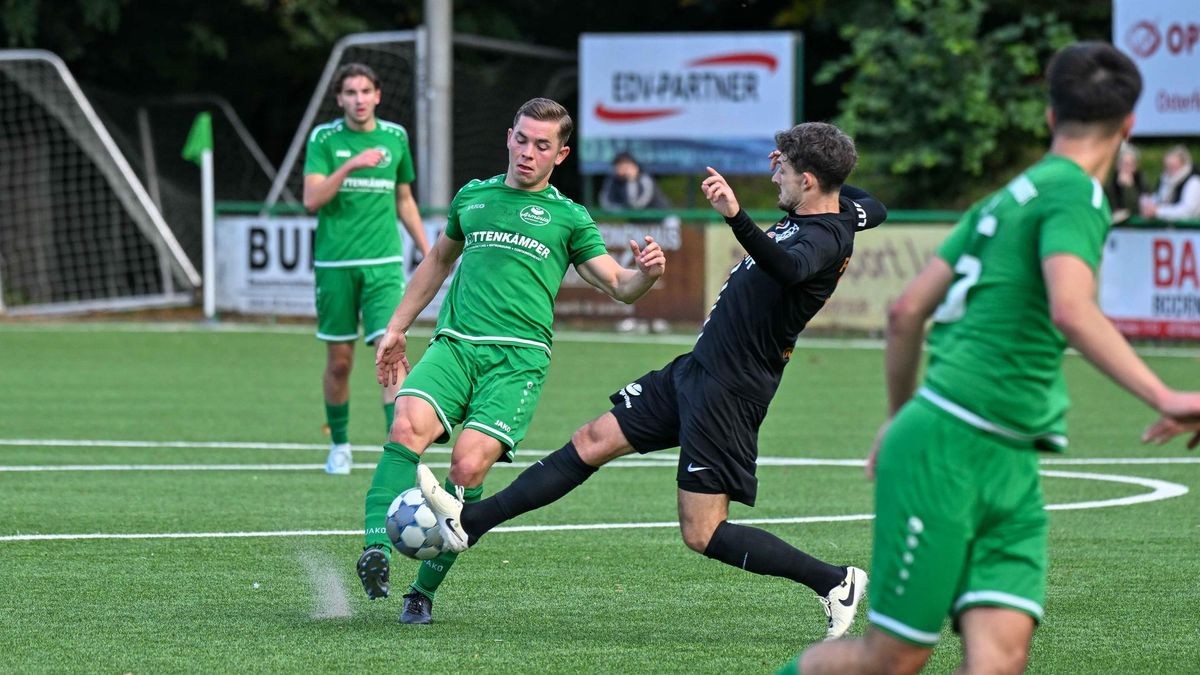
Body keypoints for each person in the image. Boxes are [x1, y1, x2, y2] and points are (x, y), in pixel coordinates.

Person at [793, 42, 1200, 675]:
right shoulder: (1077, 196)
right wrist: (1167, 395)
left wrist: (901, 415)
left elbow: (906, 314)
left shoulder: (1004, 199)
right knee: (892, 658)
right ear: (1128, 126)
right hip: (953, 448)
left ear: (1049, 116)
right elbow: (1072, 307)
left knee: (1001, 658)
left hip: (1008, 460)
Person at [419, 121, 887, 639]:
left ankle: (835, 581)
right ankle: (470, 523)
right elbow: (869, 204)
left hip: (729, 390)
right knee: (592, 439)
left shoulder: (822, 236)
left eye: (786, 170)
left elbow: (790, 269)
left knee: (703, 532)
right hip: (698, 368)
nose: (775, 175)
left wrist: (736, 216)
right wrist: (800, 159)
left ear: (812, 181)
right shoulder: (839, 208)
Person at [357, 97, 667, 624]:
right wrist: (397, 327)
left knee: (467, 465)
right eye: (521, 139)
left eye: (541, 145)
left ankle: (422, 591)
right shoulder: (473, 197)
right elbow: (437, 261)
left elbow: (618, 285)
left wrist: (647, 275)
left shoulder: (569, 218)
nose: (527, 152)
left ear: (560, 154)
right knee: (406, 426)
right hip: (454, 344)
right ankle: (374, 550)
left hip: (517, 362)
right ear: (508, 136)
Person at [302, 63, 431, 475]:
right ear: (339, 98)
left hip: (383, 266)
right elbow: (312, 199)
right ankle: (339, 445)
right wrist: (350, 165)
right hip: (335, 266)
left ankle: (398, 453)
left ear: (377, 95)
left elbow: (404, 198)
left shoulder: (395, 138)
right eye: (350, 92)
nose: (358, 99)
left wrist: (429, 250)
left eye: (365, 91)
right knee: (340, 362)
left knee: (391, 354)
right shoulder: (324, 139)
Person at [1140, 144, 1200, 222]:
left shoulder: (1193, 182)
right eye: (1167, 166)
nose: (1169, 170)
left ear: (1184, 165)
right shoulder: (1165, 181)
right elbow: (1157, 199)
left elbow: (1187, 211)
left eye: (1172, 166)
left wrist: (1158, 211)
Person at [599, 151, 671, 211]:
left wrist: (631, 180)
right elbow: (605, 202)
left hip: (661, 219)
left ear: (634, 166)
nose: (621, 170)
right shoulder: (613, 180)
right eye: (618, 166)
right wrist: (618, 208)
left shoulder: (645, 179)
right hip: (638, 222)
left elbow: (637, 204)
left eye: (625, 166)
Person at [1104, 142, 1144, 223]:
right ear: (1117, 165)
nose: (1126, 168)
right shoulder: (1109, 186)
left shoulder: (1141, 184)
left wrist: (1129, 188)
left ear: (1135, 167)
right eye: (1123, 164)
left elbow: (1137, 209)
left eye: (1130, 164)